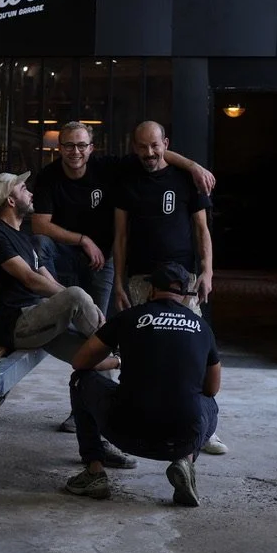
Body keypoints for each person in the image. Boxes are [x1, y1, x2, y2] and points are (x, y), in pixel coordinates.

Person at [31, 120, 216, 433]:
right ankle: (94, 409)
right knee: (101, 334)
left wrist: (193, 166)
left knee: (106, 333)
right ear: (58, 148)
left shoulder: (110, 168)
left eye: (81, 145)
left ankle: (193, 417)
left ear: (91, 148)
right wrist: (85, 243)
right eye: (68, 145)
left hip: (110, 263)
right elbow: (41, 225)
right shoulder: (52, 176)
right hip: (71, 263)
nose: (75, 152)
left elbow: (155, 154)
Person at [0, 170, 136, 469]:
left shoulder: (24, 237)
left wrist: (78, 304)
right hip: (20, 324)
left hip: (42, 319)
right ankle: (123, 349)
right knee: (77, 297)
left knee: (92, 360)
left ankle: (99, 446)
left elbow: (47, 279)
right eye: (23, 188)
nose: (30, 192)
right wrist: (77, 301)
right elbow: (31, 280)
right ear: (10, 199)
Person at [63, 262, 222, 507]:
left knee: (79, 380)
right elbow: (212, 388)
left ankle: (94, 472)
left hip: (125, 433)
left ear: (151, 290)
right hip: (180, 441)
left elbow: (80, 362)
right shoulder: (202, 327)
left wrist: (119, 361)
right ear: (184, 294)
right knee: (209, 403)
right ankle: (185, 461)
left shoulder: (128, 317)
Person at [112, 120, 227, 455]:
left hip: (184, 279)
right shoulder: (127, 179)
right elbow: (121, 237)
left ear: (166, 143)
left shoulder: (187, 178)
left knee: (192, 352)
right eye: (142, 146)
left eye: (155, 145)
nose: (149, 153)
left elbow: (202, 230)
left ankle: (204, 428)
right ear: (134, 147)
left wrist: (207, 272)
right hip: (141, 279)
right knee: (142, 352)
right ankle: (136, 425)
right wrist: (118, 282)